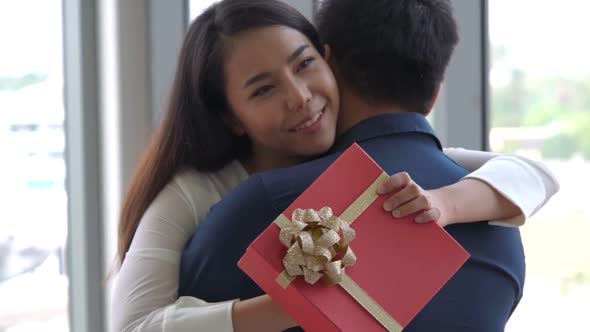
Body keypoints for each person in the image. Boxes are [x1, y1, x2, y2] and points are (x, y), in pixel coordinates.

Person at [112, 0, 558, 331]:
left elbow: (529, 174)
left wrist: (444, 203)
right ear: (230, 116)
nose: (300, 96)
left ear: (330, 61)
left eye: (305, 64)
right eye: (263, 89)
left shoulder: (368, 168)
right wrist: (295, 302)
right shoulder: (195, 192)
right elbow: (129, 326)